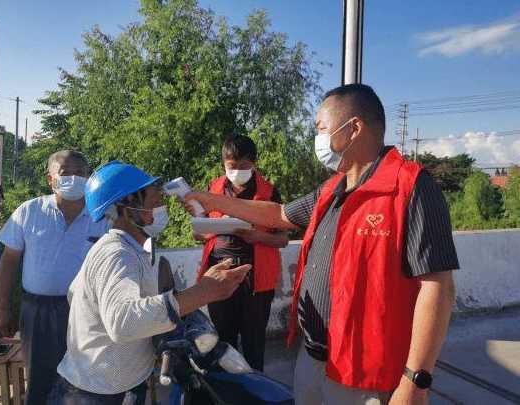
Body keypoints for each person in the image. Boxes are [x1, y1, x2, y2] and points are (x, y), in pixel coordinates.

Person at [185, 84, 459, 405]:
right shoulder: (330, 191)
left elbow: (438, 288)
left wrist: (415, 380)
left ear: (354, 128)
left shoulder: (410, 188)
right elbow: (277, 214)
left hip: (366, 376)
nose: (317, 139)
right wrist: (208, 198)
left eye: (321, 128)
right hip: (312, 360)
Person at [48, 161, 250, 404]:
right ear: (126, 207)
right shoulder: (116, 254)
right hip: (92, 394)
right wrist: (203, 292)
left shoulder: (133, 250)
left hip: (119, 385)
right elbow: (122, 322)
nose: (160, 211)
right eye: (154, 204)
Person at [0, 150, 109, 405]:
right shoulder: (29, 211)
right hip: (38, 312)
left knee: (86, 379)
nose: (73, 178)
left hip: (88, 311)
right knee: (41, 381)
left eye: (80, 173)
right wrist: (3, 308)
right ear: (51, 179)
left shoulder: (103, 216)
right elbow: (9, 261)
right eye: (65, 173)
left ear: (90, 178)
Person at [195, 135, 288, 371]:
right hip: (218, 275)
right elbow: (199, 234)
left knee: (254, 345)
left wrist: (258, 237)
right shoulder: (213, 190)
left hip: (255, 282)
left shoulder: (269, 193)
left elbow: (282, 240)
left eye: (243, 166)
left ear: (254, 163)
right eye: (231, 166)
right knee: (223, 345)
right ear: (224, 164)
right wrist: (220, 225)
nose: (237, 171)